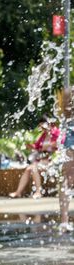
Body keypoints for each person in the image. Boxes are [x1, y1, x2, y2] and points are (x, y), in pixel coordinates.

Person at [9, 117, 62, 199]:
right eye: (41, 126)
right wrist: (30, 146)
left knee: (33, 168)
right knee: (28, 169)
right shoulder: (43, 135)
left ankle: (38, 192)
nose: (42, 128)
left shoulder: (56, 132)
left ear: (49, 124)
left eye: (43, 126)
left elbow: (61, 143)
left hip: (54, 160)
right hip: (43, 160)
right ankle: (18, 192)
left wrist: (49, 145)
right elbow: (37, 147)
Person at [59, 88, 74, 232]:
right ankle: (64, 221)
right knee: (68, 181)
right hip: (71, 141)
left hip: (70, 141)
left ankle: (64, 221)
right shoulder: (70, 92)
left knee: (68, 181)